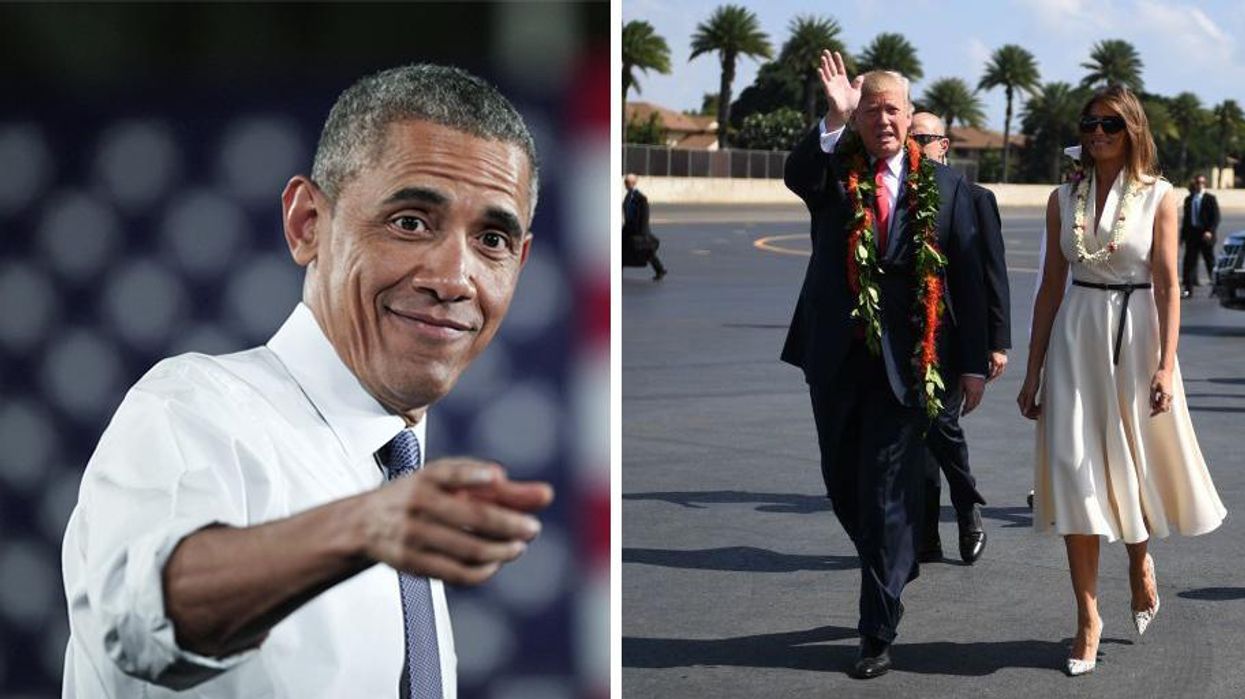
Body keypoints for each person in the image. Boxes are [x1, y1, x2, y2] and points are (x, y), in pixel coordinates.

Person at [61, 64, 555, 698]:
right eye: (410, 222)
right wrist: (360, 528)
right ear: (307, 224)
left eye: (491, 239)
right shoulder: (191, 408)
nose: (454, 278)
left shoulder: (396, 477)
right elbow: (134, 618)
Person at [782, 52, 987, 680]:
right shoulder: (835, 171)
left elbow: (973, 283)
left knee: (885, 494)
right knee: (843, 485)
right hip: (837, 359)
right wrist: (832, 117)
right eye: (870, 110)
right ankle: (895, 560)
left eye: (892, 108)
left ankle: (877, 629)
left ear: (911, 113)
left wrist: (974, 363)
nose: (883, 119)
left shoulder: (949, 188)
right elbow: (797, 175)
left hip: (912, 362)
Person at [1017, 85, 1225, 677]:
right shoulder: (1062, 198)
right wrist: (1032, 370)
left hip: (1136, 338)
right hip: (1075, 334)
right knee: (1072, 470)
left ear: (1131, 128)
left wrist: (1166, 364)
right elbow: (1050, 290)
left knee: (1130, 467)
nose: (1098, 133)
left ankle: (1139, 562)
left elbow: (1165, 283)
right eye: (1089, 123)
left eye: (1110, 124)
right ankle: (1087, 618)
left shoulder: (1161, 196)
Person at [908, 112, 1011, 565]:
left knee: (940, 424)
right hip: (907, 339)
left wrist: (995, 343)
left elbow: (990, 275)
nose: (916, 146)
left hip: (953, 339)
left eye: (923, 139)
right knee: (921, 432)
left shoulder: (975, 197)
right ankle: (927, 531)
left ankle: (967, 507)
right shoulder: (897, 192)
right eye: (910, 139)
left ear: (943, 145)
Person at [1180, 173, 1219, 298]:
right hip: (1192, 235)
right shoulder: (1189, 199)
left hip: (1205, 235)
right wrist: (1181, 238)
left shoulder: (1210, 198)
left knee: (1210, 262)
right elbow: (1186, 220)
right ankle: (1188, 289)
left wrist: (1210, 231)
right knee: (1189, 263)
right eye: (1197, 183)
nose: (1199, 185)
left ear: (1205, 184)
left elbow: (1216, 218)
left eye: (1202, 183)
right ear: (1194, 184)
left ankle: (1216, 288)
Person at [622, 173, 667, 280]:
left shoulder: (641, 198)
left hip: (638, 230)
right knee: (621, 250)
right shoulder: (628, 196)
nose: (625, 184)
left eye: (627, 182)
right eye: (625, 182)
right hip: (628, 229)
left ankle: (660, 270)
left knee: (647, 251)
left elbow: (644, 217)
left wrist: (642, 233)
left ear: (631, 183)